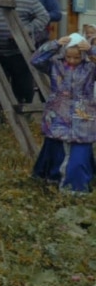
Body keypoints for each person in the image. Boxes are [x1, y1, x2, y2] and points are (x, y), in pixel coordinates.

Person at [30, 34, 96, 193]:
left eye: (76, 58)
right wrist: (55, 44)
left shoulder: (91, 67)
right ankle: (51, 180)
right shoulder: (55, 64)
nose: (72, 61)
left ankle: (74, 187)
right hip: (58, 113)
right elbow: (35, 60)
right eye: (68, 57)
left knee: (80, 151)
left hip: (83, 115)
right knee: (56, 148)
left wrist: (91, 50)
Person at [0, 0, 50, 124]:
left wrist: (24, 31)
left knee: (22, 84)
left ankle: (23, 117)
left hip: (19, 50)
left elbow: (44, 17)